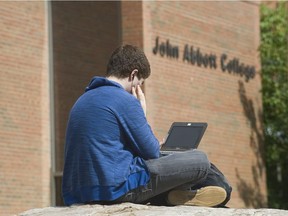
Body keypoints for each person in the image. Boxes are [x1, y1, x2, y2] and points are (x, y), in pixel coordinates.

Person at [62, 44, 232, 207]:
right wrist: (142, 112)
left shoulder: (82, 99)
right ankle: (211, 190)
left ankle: (175, 196)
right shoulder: (125, 100)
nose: (139, 88)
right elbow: (151, 152)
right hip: (116, 190)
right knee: (199, 160)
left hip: (78, 192)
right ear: (133, 74)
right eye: (140, 82)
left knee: (176, 160)